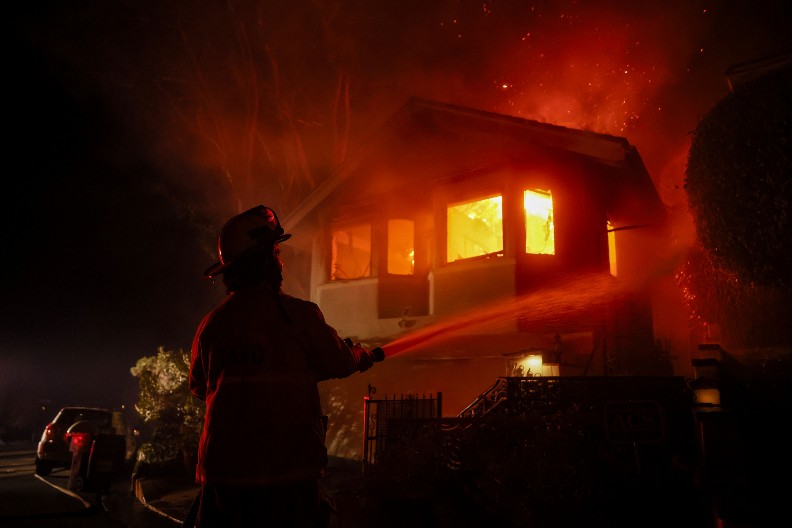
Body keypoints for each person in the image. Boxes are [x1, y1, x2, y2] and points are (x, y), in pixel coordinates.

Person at [187, 205, 379, 527]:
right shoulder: (297, 315)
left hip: (223, 478)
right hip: (286, 477)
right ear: (263, 260)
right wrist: (359, 355)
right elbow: (339, 360)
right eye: (276, 252)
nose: (280, 260)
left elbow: (199, 387)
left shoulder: (212, 325)